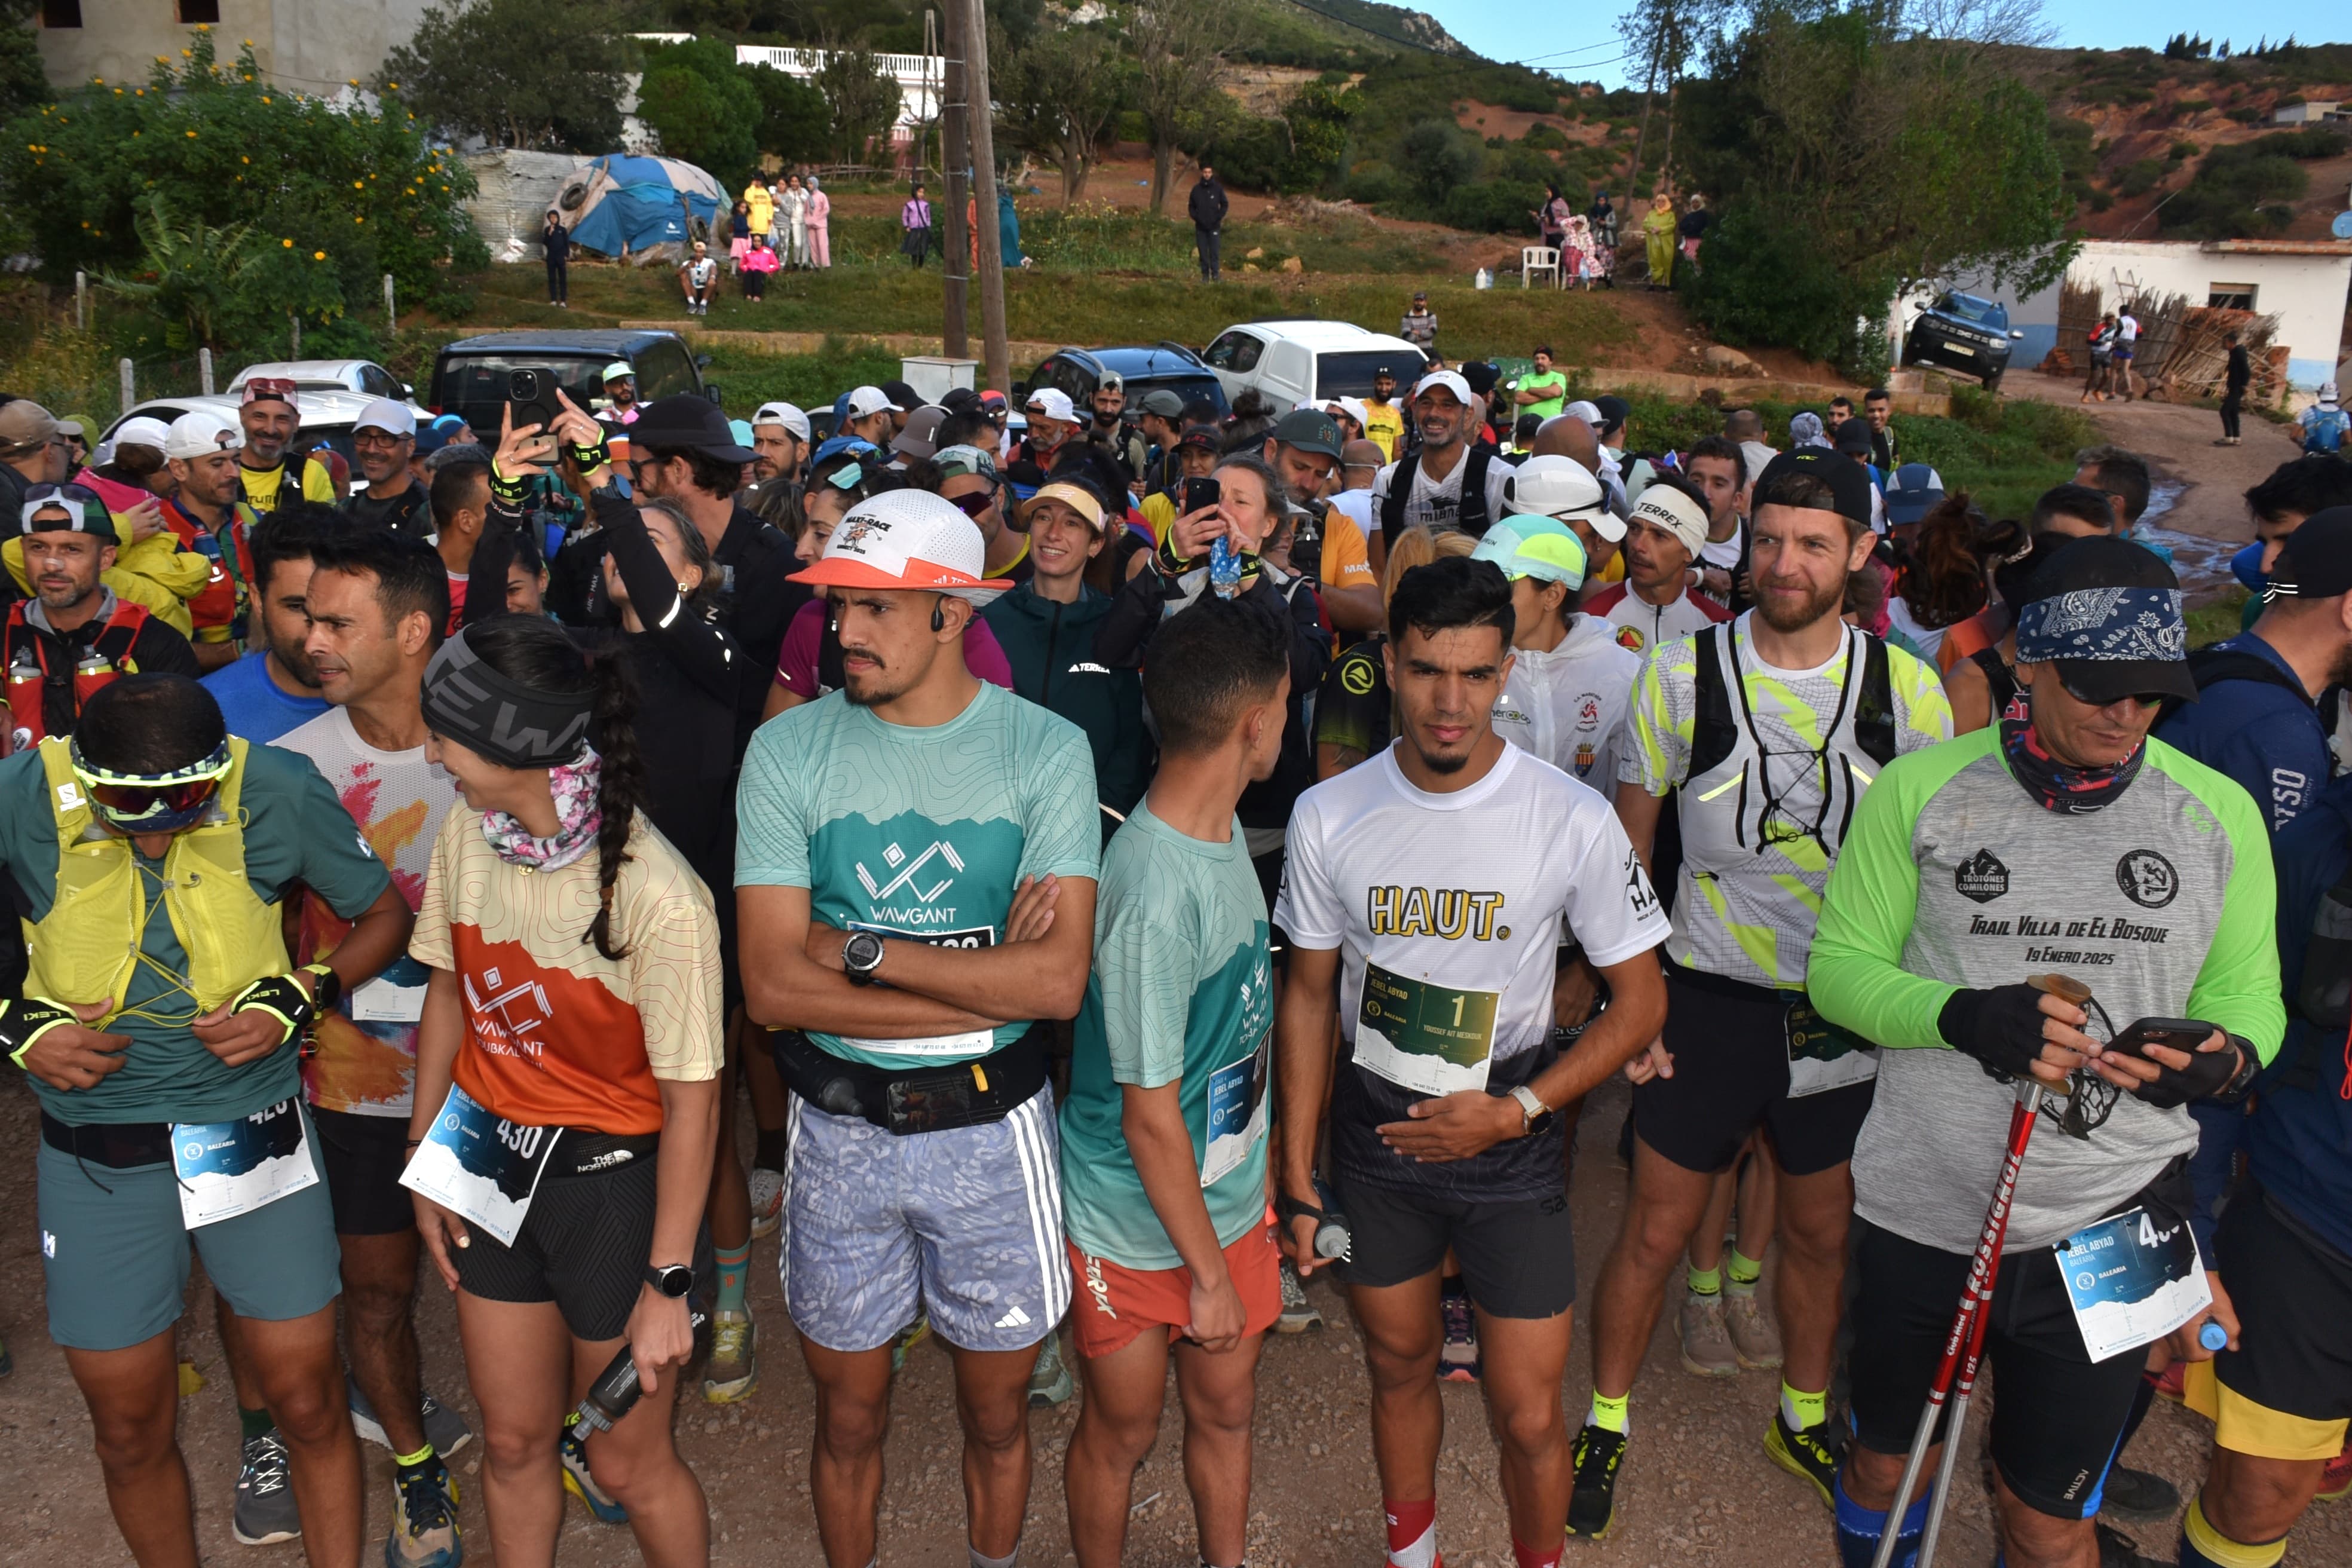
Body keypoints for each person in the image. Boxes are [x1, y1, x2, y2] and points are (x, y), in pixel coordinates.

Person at [1811, 535, 2280, 1568]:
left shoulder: (2220, 815)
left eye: (2151, 694)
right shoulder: (1921, 790)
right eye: (2100, 689)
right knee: (1887, 1470)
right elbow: (1838, 971)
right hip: (1927, 1204)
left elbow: (2250, 996)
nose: (2127, 716)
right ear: (2027, 661)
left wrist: (2229, 1055)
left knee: (2049, 1518)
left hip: (2119, 1212)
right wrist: (1960, 1016)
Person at [1575, 450, 1953, 1540]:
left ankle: (1801, 1413)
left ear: (1862, 551)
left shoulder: (1910, 691)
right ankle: (1605, 1419)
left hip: (1841, 1004)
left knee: (1822, 1232)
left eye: (1814, 544)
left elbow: (1930, 871)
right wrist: (1631, 1006)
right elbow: (1627, 857)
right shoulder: (1680, 674)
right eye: (1771, 539)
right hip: (1706, 995)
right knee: (1655, 1226)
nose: (1785, 564)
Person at [1274, 553, 1672, 1568]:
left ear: (1507, 670)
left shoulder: (1569, 815)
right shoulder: (1329, 814)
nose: (1451, 705)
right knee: (1397, 1366)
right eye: (1425, 672)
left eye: (1477, 675)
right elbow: (1308, 996)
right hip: (1375, 1150)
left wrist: (1521, 1108)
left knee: (1530, 1413)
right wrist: (1298, 1176)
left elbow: (1641, 1002)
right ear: (1389, 665)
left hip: (1513, 1154)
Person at [735, 487, 1100, 1568]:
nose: (843, 631)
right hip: (839, 1127)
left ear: (951, 613)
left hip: (992, 1131)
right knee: (847, 1418)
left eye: (876, 608)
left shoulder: (1046, 749)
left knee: (998, 1416)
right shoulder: (786, 750)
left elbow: (1058, 983)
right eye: (838, 605)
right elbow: (771, 987)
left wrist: (856, 948)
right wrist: (984, 981)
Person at [5, 671, 412, 1566]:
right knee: (126, 1426)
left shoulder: (276, 786)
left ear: (217, 772)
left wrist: (301, 991)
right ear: (87, 778)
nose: (154, 834)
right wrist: (13, 1021)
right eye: (126, 812)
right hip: (99, 1148)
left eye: (185, 808)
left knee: (307, 1398)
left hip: (247, 1127)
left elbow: (385, 913)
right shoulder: (23, 790)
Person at [408, 616, 721, 1568]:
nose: (431, 755)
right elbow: (449, 991)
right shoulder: (470, 829)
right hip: (486, 1161)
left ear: (517, 748)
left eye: (446, 738)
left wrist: (668, 1282)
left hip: (610, 1191)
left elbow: (696, 1101)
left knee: (627, 1464)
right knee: (511, 1443)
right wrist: (426, 1159)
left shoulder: (660, 896)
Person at [1056, 596, 1289, 1568]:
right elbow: (1149, 1118)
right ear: (1256, 724)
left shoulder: (1218, 826)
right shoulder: (1153, 891)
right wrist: (1207, 1276)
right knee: (1122, 1430)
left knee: (1227, 1411)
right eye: (1286, 704)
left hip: (1224, 1203)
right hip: (1135, 1223)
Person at [269, 528, 469, 1568]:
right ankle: (416, 1465)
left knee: (527, 1287)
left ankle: (563, 1436)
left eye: (338, 623)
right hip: (353, 1087)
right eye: (309, 619)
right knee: (379, 1291)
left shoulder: (497, 742)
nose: (313, 640)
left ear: (414, 630)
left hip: (500, 1077)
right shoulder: (291, 768)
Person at [2176, 766, 2352, 1568]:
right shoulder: (2320, 846)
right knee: (2260, 1494)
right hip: (2312, 1219)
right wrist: (2193, 1238)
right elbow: (2228, 1039)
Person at [1099, 455, 1332, 938]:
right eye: (1214, 497)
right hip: (1175, 815)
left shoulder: (1292, 595)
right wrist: (1163, 561)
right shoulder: (1178, 589)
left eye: (1240, 502)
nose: (1223, 511)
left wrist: (1252, 579)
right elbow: (1109, 650)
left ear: (1269, 525)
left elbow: (1306, 672)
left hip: (1264, 827)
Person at [982, 479, 1152, 825]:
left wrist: (1101, 823)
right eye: (1044, 518)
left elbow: (1131, 745)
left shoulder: (1115, 626)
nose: (1053, 533)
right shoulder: (989, 617)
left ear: (1096, 544)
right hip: (989, 821)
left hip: (1085, 827)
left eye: (1072, 523)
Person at [1472, 458, 1642, 792]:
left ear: (1554, 594)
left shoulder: (1619, 670)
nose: (1594, 546)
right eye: (1587, 533)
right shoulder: (1463, 659)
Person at [5, 483, 201, 738]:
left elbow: (186, 742)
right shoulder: (5, 629)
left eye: (72, 549)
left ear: (106, 558)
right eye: (38, 548)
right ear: (23, 551)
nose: (52, 565)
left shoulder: (157, 643)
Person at [202, 506, 338, 742]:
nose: (317, 635)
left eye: (334, 608)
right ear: (258, 601)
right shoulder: (205, 711)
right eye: (297, 607)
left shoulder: (400, 698)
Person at [1581, 477, 1732, 655]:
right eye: (1634, 529)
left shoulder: (1720, 628)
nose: (1638, 545)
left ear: (1690, 551)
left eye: (1659, 535)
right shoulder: (1591, 619)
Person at [1372, 371, 1512, 544]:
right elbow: (1379, 558)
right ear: (1414, 410)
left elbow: (1506, 553)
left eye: (1447, 405)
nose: (1434, 413)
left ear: (1468, 416)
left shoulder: (1496, 477)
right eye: (1426, 403)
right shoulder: (1389, 479)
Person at [235, 380, 337, 514]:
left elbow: (327, 526)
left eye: (282, 419)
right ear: (242, 416)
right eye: (260, 417)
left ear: (296, 423)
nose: (270, 430)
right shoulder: (221, 472)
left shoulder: (310, 473)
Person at [345, 399, 430, 539]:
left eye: (386, 438)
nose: (371, 449)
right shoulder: (345, 509)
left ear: (410, 447)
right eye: (363, 436)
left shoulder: (429, 514)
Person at [1190, 164, 1228, 281]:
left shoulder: (1218, 189)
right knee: (1203, 253)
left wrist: (1218, 217)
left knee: (1214, 252)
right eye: (1205, 172)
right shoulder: (1196, 189)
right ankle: (1205, 276)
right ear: (1202, 173)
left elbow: (1225, 204)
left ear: (1212, 174)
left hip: (1214, 227)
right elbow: (1191, 206)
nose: (1207, 174)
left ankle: (1215, 275)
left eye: (1209, 172)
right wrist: (1197, 218)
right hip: (1200, 227)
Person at [1364, 366, 1407, 464]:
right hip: (1365, 468)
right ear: (1374, 384)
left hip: (1386, 470)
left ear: (1394, 385)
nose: (1384, 388)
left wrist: (1396, 469)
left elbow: (1397, 449)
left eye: (1388, 384)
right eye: (1380, 384)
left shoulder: (1395, 413)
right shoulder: (1362, 408)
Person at [2216, 332, 2252, 446]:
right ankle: (2236, 438)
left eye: (2225, 342)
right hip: (2234, 387)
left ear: (2231, 342)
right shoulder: (2234, 353)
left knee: (2224, 411)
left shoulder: (2239, 352)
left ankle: (2228, 437)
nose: (2224, 344)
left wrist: (2244, 384)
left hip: (2238, 387)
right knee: (2233, 412)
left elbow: (2246, 369)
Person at [1515, 348, 1568, 422]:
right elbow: (1519, 398)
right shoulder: (1526, 378)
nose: (1539, 362)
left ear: (1551, 361)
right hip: (1528, 425)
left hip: (1551, 425)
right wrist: (1548, 395)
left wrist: (1531, 390)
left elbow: (1555, 392)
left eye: (1543, 358)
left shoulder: (1558, 377)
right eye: (1537, 359)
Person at [2300, 384, 2348, 455]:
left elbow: (2293, 435)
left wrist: (2303, 445)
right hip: (2332, 455)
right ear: (2338, 395)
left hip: (2311, 454)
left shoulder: (2308, 411)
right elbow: (2349, 440)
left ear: (2319, 394)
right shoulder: (2343, 414)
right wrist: (2339, 446)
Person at [1643, 194, 1677, 288]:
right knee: (1654, 260)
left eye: (1663, 201)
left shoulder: (1670, 215)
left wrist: (1660, 229)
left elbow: (1672, 226)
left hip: (1666, 242)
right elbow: (1645, 224)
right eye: (1658, 201)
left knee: (1666, 260)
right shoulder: (1651, 213)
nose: (1660, 203)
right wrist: (1652, 228)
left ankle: (1665, 283)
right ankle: (1654, 282)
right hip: (1653, 241)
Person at [1863, 388, 1900, 474]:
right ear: (1865, 412)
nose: (1876, 415)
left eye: (1881, 410)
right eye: (1871, 411)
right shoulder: (1860, 435)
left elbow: (1896, 460)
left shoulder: (1890, 433)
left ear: (1889, 411)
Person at [2083, 313, 2117, 403]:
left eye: (2113, 320)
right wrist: (2100, 343)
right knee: (2093, 375)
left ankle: (2097, 391)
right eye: (2110, 320)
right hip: (2097, 353)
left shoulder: (2114, 328)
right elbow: (2089, 341)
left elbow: (2113, 340)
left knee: (2107, 375)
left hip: (2107, 354)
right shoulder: (2099, 328)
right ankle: (2085, 395)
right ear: (2106, 320)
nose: (2112, 322)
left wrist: (2113, 346)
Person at [679, 239, 718, 317]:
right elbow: (677, 273)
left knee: (712, 282)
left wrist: (712, 277)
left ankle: (703, 305)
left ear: (704, 253)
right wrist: (686, 267)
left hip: (705, 287)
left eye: (700, 252)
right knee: (683, 275)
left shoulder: (709, 261)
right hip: (694, 289)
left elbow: (713, 269)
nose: (698, 254)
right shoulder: (689, 263)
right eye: (696, 252)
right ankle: (692, 303)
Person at [2114, 302, 2144, 399]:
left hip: (2120, 344)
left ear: (2120, 312)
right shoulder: (2135, 322)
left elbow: (2115, 332)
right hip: (2130, 345)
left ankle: (2112, 391)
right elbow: (2140, 334)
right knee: (2125, 370)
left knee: (2113, 369)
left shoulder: (2119, 321)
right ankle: (2130, 389)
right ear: (2129, 312)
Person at [901, 182, 934, 267]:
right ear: (914, 192)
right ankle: (914, 267)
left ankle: (920, 266)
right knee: (914, 249)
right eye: (920, 192)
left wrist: (928, 225)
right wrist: (907, 226)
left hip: (924, 228)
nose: (921, 194)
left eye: (923, 192)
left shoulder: (925, 205)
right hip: (914, 229)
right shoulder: (909, 205)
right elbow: (905, 217)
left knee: (923, 249)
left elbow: (928, 217)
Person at [780, 173, 810, 269]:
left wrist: (801, 194)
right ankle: (796, 262)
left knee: (805, 242)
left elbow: (809, 203)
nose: (794, 183)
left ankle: (805, 263)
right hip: (794, 220)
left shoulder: (804, 191)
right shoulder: (788, 191)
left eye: (796, 181)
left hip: (805, 220)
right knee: (797, 243)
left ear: (799, 182)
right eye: (792, 181)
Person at [543, 210, 571, 307]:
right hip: (551, 257)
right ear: (549, 219)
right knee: (552, 278)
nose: (553, 219)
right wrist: (550, 234)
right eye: (551, 217)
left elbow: (566, 243)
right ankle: (553, 299)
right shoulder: (547, 230)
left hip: (561, 257)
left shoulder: (562, 230)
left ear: (558, 218)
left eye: (555, 217)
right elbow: (546, 243)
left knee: (562, 279)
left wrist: (566, 255)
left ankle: (563, 301)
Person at [1399, 292, 1439, 359]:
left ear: (1425, 303)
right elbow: (1407, 336)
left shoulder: (1431, 316)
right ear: (1413, 302)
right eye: (1417, 301)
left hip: (1428, 349)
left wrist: (1417, 332)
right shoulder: (1406, 318)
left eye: (1421, 301)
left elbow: (1432, 333)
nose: (1419, 303)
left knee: (1439, 362)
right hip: (1412, 350)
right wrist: (1424, 334)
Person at [1676, 194, 1711, 269]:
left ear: (1700, 203)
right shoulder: (1690, 215)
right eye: (1693, 202)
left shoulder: (1703, 215)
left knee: (1698, 262)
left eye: (1697, 202)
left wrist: (1690, 226)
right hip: (1688, 241)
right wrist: (1690, 225)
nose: (1695, 204)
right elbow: (1681, 226)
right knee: (1689, 262)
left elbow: (1698, 227)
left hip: (1698, 241)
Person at [805, 173, 831, 268]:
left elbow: (826, 209)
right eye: (808, 184)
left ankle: (825, 264)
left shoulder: (822, 196)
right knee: (813, 246)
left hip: (820, 225)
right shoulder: (808, 198)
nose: (809, 186)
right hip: (811, 225)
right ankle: (816, 264)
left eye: (811, 184)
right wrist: (808, 220)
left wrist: (817, 219)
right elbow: (806, 211)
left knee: (822, 244)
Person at [741, 233, 778, 301]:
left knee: (757, 273)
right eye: (755, 241)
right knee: (749, 273)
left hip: (762, 272)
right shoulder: (748, 252)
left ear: (762, 242)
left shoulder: (768, 252)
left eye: (759, 241)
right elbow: (742, 264)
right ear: (752, 242)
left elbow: (776, 265)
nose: (757, 243)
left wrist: (767, 269)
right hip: (751, 272)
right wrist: (746, 269)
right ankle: (748, 295)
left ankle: (757, 295)